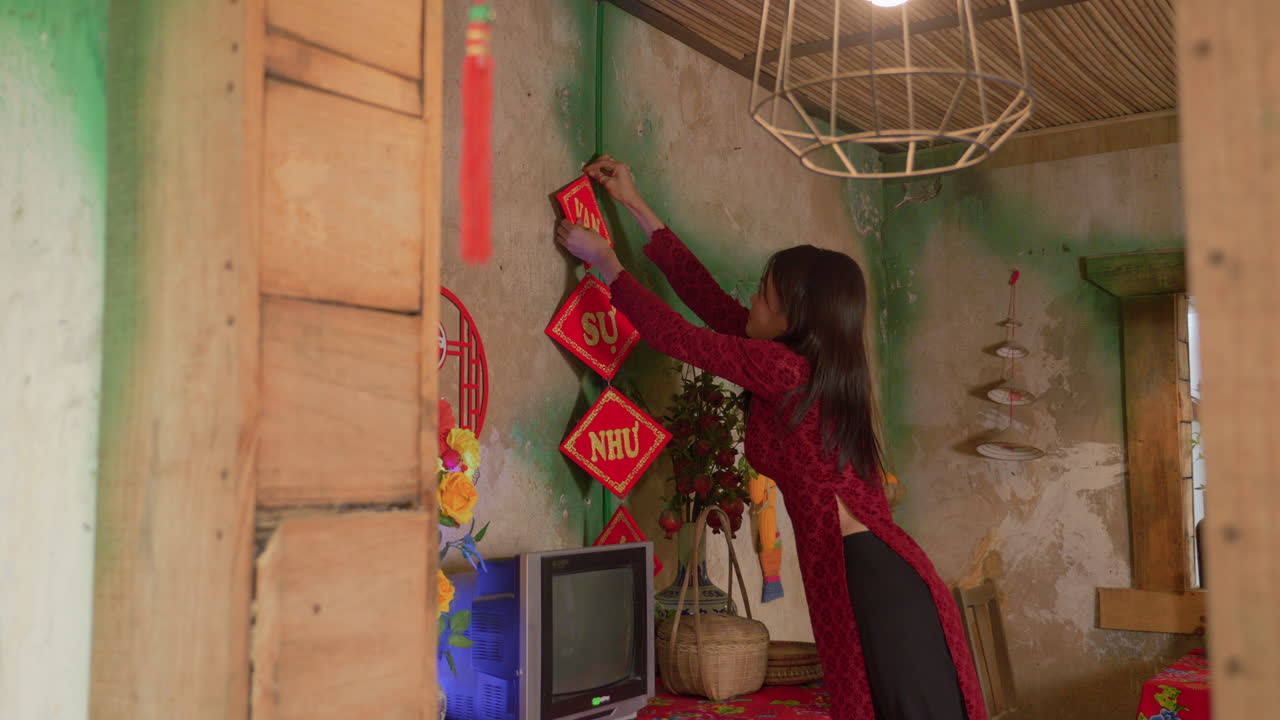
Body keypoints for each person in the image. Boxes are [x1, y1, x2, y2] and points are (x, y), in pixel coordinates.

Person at [555, 156, 986, 720]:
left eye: (762, 294)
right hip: (873, 568)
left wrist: (607, 263)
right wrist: (634, 203)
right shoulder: (799, 364)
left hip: (871, 580)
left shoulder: (785, 372)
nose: (750, 301)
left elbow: (674, 336)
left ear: (792, 319)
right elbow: (705, 300)